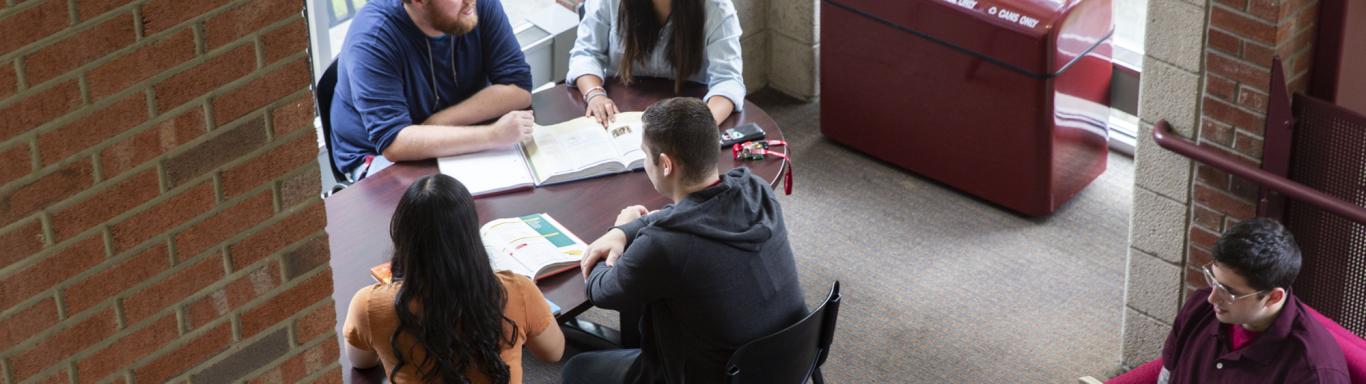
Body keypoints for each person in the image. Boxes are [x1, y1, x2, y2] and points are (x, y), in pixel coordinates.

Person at [561, 98, 804, 384]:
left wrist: (614, 238)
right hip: (791, 358)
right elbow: (689, 214)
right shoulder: (755, 187)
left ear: (665, 164)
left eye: (644, 154)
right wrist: (624, 232)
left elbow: (601, 291)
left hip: (714, 376)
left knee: (576, 370)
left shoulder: (665, 246)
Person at [343, 174, 565, 383]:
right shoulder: (517, 291)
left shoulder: (369, 305)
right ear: (470, 235)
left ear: (401, 235)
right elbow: (554, 352)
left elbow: (360, 361)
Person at [331, 0, 535, 180]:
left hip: (451, 133)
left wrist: (437, 123)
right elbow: (394, 143)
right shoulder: (372, 38)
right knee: (444, 212)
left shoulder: (473, 7)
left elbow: (518, 87)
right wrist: (492, 135)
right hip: (380, 158)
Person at [1159, 218, 1348, 383]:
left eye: (1228, 291)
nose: (1211, 297)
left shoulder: (1312, 372)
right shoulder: (1199, 307)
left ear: (1273, 297)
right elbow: (1167, 376)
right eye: (1213, 280)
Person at [567, 0, 745, 127]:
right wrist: (595, 95)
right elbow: (586, 53)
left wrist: (701, 127)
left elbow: (727, 80)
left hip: (688, 114)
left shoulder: (716, 7)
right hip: (621, 114)